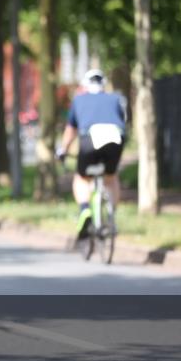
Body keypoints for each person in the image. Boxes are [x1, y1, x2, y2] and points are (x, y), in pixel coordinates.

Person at [56, 69, 127, 241]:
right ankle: (111, 216)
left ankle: (85, 209)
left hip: (90, 138)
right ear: (103, 84)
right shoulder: (115, 98)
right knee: (111, 177)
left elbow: (71, 130)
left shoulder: (79, 100)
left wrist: (63, 149)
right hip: (115, 138)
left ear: (85, 85)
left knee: (81, 178)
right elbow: (124, 121)